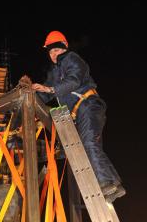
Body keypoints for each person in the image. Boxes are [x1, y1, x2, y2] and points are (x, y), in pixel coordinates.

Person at [32, 30, 126, 202]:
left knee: (89, 143)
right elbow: (45, 93)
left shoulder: (72, 59)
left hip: (88, 106)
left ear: (65, 47)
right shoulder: (54, 73)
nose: (54, 54)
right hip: (80, 111)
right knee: (91, 146)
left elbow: (74, 80)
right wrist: (31, 94)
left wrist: (51, 89)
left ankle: (105, 183)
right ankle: (115, 185)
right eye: (51, 51)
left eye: (57, 50)